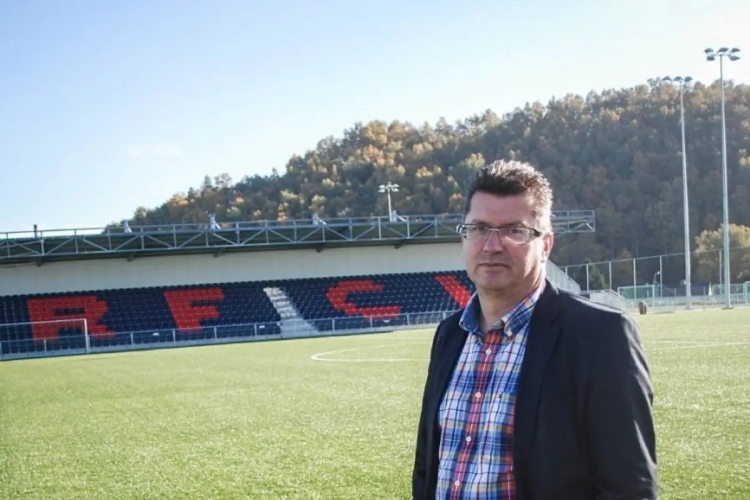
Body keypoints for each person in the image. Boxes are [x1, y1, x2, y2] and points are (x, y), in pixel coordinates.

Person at [412, 160, 657, 500]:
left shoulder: (601, 336)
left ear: (546, 245)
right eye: (479, 228)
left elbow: (628, 488)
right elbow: (428, 467)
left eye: (515, 230)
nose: (492, 245)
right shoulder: (450, 335)